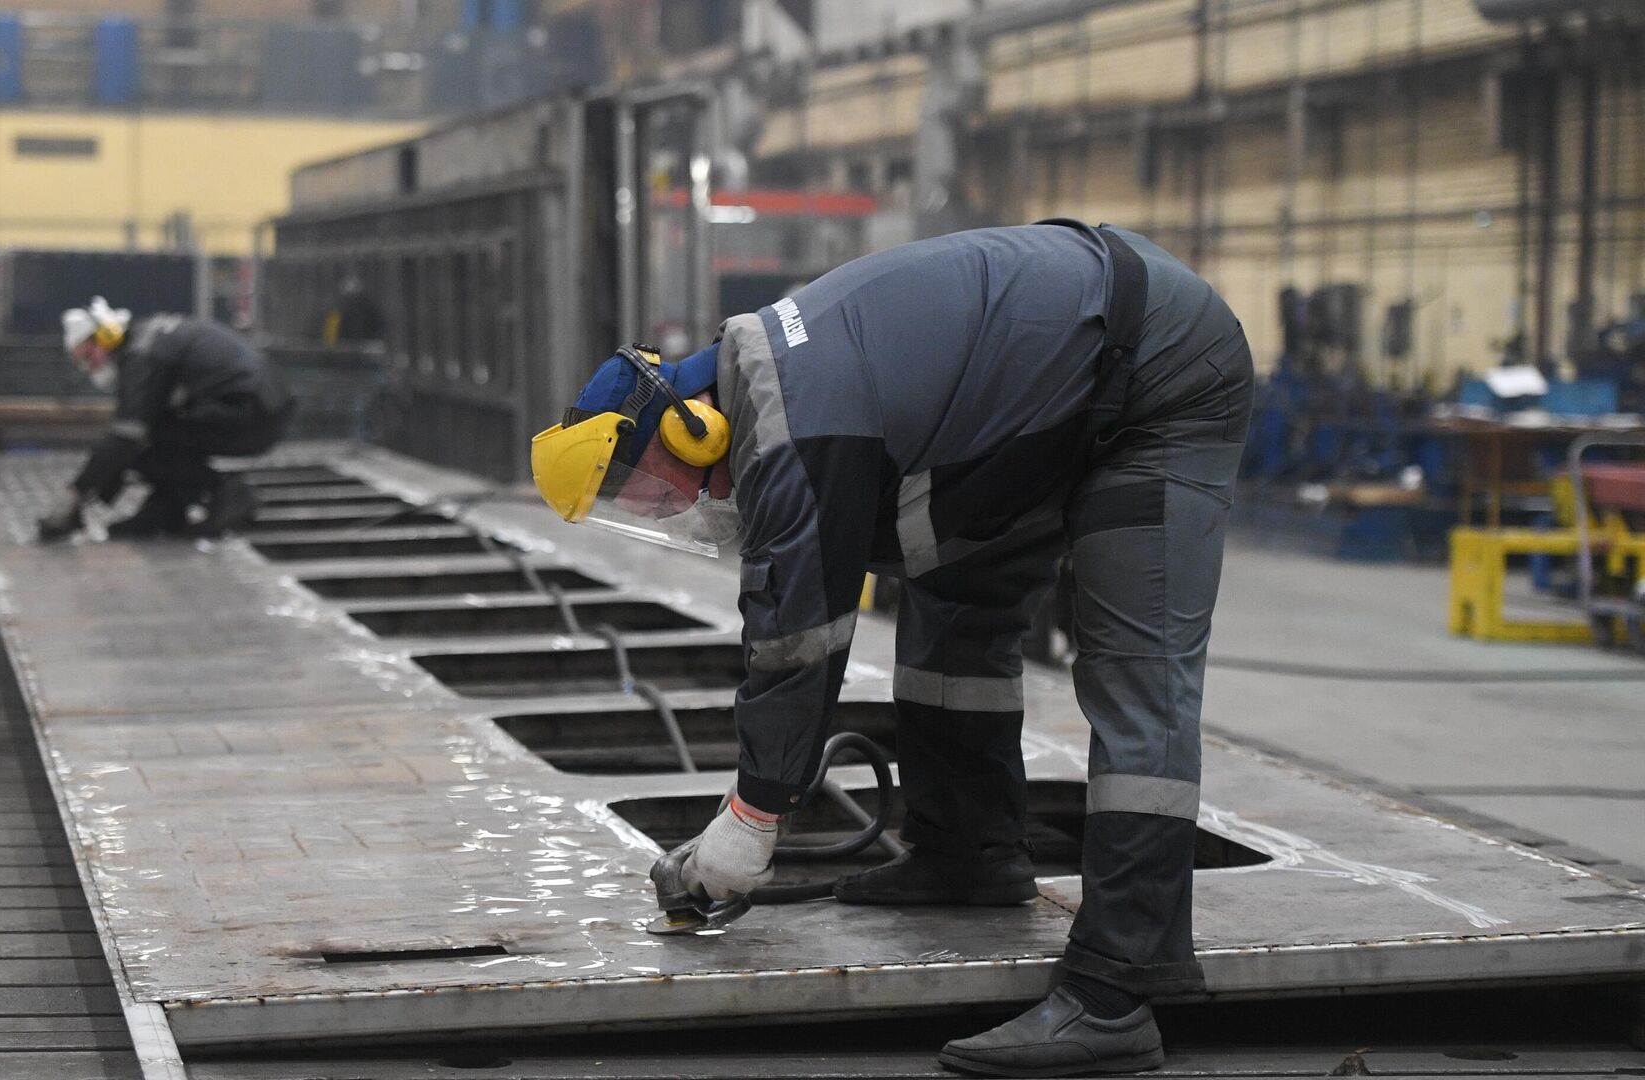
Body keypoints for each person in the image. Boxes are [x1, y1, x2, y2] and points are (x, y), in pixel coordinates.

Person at [529, 221, 1254, 1077]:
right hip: (1055, 391)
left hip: (1158, 376)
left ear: (693, 428)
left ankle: (1118, 991)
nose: (663, 507)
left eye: (650, 485)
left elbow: (797, 640)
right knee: (953, 601)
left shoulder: (793, 421)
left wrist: (750, 821)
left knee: (1138, 678)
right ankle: (970, 853)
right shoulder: (777, 382)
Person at [37, 297, 295, 542]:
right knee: (150, 435)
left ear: (105, 337)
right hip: (263, 407)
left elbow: (126, 437)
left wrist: (74, 496)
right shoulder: (148, 340)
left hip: (249, 411)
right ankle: (167, 508)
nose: (89, 368)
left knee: (139, 442)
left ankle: (227, 492)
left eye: (88, 357)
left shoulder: (141, 356)